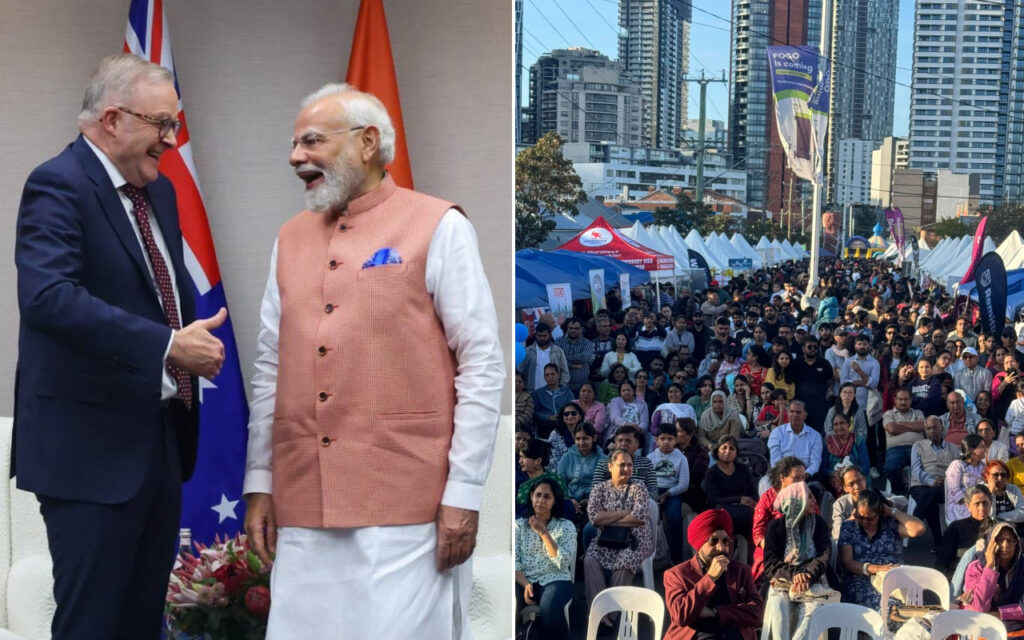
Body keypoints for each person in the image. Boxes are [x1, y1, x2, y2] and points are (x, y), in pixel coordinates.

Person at [242, 84, 504, 638]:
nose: (295, 157)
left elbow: (482, 363)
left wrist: (463, 494)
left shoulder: (440, 226)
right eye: (293, 144)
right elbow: (271, 366)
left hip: (407, 510)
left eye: (311, 140)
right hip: (302, 502)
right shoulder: (288, 239)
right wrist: (259, 480)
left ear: (367, 143)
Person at [14, 53, 226, 639]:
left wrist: (191, 342)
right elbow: (49, 298)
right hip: (89, 458)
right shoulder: (58, 184)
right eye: (162, 124)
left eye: (174, 126)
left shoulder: (158, 194)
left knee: (139, 625)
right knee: (93, 626)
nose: (170, 140)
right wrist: (167, 348)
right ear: (112, 119)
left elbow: (161, 297)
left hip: (158, 445)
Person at [663, 509, 764, 640]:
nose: (721, 548)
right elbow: (680, 616)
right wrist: (710, 578)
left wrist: (715, 613)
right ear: (700, 544)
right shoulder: (677, 574)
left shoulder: (741, 571)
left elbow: (757, 613)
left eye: (725, 541)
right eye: (714, 541)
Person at [761, 482, 835, 640]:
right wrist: (795, 574)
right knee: (778, 606)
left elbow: (824, 555)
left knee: (812, 613)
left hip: (813, 580)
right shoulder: (775, 527)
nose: (814, 500)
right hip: (783, 580)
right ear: (796, 501)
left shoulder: (819, 523)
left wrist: (806, 575)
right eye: (808, 497)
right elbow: (771, 563)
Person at [584, 448, 654, 611]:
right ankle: (598, 613)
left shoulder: (639, 487)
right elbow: (594, 517)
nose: (626, 469)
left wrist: (607, 519)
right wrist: (624, 513)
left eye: (629, 465)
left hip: (635, 541)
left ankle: (613, 611)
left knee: (625, 562)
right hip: (606, 540)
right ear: (610, 467)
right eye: (622, 465)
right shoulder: (599, 489)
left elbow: (639, 518)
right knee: (589, 561)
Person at [837, 489, 925, 609]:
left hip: (893, 578)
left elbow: (918, 528)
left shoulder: (890, 524)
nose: (864, 521)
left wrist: (891, 511)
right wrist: (877, 569)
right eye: (859, 516)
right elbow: (848, 563)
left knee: (907, 605)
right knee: (889, 607)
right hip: (861, 579)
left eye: (869, 518)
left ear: (880, 514)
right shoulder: (849, 528)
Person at [515, 478, 576, 640]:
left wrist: (543, 533)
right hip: (525, 580)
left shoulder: (566, 526)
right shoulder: (519, 526)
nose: (541, 500)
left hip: (556, 579)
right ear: (531, 497)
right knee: (508, 601)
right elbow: (513, 561)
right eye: (538, 495)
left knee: (550, 605)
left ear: (555, 501)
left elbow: (563, 563)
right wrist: (525, 583)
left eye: (547, 497)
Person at [753, 457, 807, 582]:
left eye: (803, 478)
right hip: (772, 548)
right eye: (796, 478)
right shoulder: (768, 498)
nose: (801, 482)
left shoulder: (806, 496)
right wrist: (773, 546)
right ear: (783, 478)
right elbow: (758, 531)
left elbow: (816, 522)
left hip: (802, 546)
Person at [910, 416, 959, 549]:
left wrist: (948, 480)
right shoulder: (918, 446)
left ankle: (914, 519)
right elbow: (916, 469)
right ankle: (939, 540)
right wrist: (930, 480)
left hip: (944, 487)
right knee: (931, 497)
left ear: (942, 428)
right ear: (925, 430)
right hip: (920, 485)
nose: (932, 431)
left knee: (933, 493)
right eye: (928, 428)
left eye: (935, 427)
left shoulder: (954, 449)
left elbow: (958, 470)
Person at [961, 522, 1024, 624]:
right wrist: (990, 567)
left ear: (1017, 543)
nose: (1005, 545)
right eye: (1000, 540)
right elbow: (978, 608)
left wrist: (999, 613)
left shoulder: (1021, 567)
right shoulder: (976, 568)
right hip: (982, 625)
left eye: (1011, 540)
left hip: (1016, 626)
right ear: (991, 542)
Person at [703, 436, 758, 547]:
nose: (728, 451)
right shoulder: (711, 473)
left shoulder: (743, 469)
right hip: (723, 510)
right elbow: (714, 499)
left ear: (736, 453)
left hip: (745, 509)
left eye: (732, 449)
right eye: (724, 448)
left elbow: (753, 493)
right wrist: (739, 499)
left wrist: (750, 502)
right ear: (717, 451)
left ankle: (755, 559)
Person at [648, 424, 690, 564]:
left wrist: (667, 494)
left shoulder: (681, 458)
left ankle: (676, 556)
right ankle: (648, 556)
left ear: (676, 440)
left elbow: (684, 484)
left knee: (674, 518)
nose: (666, 442)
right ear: (656, 440)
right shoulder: (650, 458)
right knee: (647, 519)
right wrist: (653, 494)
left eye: (670, 439)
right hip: (653, 492)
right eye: (662, 438)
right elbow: (646, 481)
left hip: (672, 493)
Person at [937, 484, 995, 574]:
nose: (982, 508)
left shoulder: (998, 528)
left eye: (985, 503)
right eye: (977, 504)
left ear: (990, 503)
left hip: (992, 578)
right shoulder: (956, 527)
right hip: (961, 577)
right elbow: (941, 564)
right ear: (968, 506)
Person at [557, 422, 607, 525]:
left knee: (588, 524)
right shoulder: (567, 457)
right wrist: (570, 499)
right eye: (577, 439)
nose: (581, 442)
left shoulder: (603, 459)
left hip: (594, 502)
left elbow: (606, 484)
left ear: (594, 438)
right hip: (569, 500)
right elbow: (560, 482)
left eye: (585, 438)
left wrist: (590, 500)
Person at [881, 388, 926, 495]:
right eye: (900, 399)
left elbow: (921, 427)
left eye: (906, 399)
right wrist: (913, 427)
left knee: (928, 466)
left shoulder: (918, 413)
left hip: (918, 448)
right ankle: (900, 493)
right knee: (891, 468)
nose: (903, 402)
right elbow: (892, 429)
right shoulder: (888, 414)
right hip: (896, 449)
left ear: (910, 401)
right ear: (895, 400)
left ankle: (919, 493)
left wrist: (901, 424)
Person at [767, 400, 823, 478]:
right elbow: (775, 462)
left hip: (806, 477)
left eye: (798, 412)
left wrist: (801, 476)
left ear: (805, 415)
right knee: (764, 483)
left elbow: (815, 464)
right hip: (781, 476)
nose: (794, 415)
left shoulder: (815, 436)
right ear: (787, 413)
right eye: (792, 411)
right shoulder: (777, 433)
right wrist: (788, 477)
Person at [790, 338, 834, 432]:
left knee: (816, 433)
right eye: (809, 347)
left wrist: (828, 393)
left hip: (819, 407)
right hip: (800, 406)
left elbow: (830, 381)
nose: (813, 349)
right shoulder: (795, 363)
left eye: (815, 347)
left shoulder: (824, 363)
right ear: (803, 348)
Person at [521, 322, 569, 391]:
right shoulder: (527, 351)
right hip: (533, 392)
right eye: (539, 336)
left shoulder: (558, 351)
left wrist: (560, 387)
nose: (542, 338)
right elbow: (521, 371)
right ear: (535, 335)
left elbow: (564, 372)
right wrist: (526, 387)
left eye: (544, 336)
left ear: (549, 335)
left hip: (553, 391)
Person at [555, 316, 594, 396]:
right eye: (570, 328)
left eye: (576, 328)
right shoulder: (558, 342)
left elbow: (585, 357)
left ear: (581, 329)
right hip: (562, 385)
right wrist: (572, 365)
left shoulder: (587, 343)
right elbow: (556, 360)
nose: (573, 330)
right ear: (567, 328)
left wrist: (564, 358)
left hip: (581, 387)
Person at [676, 418, 710, 513]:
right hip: (668, 490)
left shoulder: (700, 453)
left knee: (677, 512)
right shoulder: (669, 450)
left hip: (689, 493)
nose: (674, 433)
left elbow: (695, 478)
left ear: (690, 435)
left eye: (679, 431)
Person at [823, 413, 869, 480]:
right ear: (833, 427)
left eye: (842, 423)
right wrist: (833, 473)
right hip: (834, 479)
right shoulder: (828, 442)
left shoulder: (858, 441)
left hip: (856, 477)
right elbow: (823, 467)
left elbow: (865, 465)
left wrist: (852, 474)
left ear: (849, 424)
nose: (839, 427)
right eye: (836, 424)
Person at [532, 363, 573, 438]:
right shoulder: (538, 393)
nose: (550, 377)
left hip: (564, 422)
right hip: (546, 425)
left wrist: (563, 417)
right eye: (547, 375)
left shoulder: (567, 393)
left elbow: (573, 409)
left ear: (558, 375)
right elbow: (535, 412)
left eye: (553, 374)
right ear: (544, 377)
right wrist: (548, 417)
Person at [607, 380, 649, 448]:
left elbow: (644, 422)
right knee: (611, 449)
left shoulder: (642, 403)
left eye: (628, 390)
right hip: (618, 432)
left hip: (636, 433)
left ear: (633, 391)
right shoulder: (615, 401)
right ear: (620, 392)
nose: (626, 392)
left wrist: (639, 429)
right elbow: (614, 417)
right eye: (623, 390)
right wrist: (627, 425)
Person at [831, 466, 868, 539]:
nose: (857, 487)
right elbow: (837, 534)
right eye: (851, 484)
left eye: (859, 481)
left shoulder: (878, 496)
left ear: (864, 479)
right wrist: (851, 519)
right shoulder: (840, 504)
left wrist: (890, 510)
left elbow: (894, 500)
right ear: (845, 488)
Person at [984, 459, 1024, 525]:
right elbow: (989, 517)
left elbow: (1022, 512)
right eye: (995, 475)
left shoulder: (1013, 489)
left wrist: (1000, 518)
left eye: (1003, 475)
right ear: (987, 476)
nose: (1000, 478)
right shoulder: (981, 490)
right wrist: (991, 493)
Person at [546, 402, 583, 470]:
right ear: (562, 418)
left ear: (580, 416)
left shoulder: (585, 432)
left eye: (573, 413)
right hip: (560, 471)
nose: (570, 416)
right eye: (566, 414)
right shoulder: (555, 434)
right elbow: (553, 458)